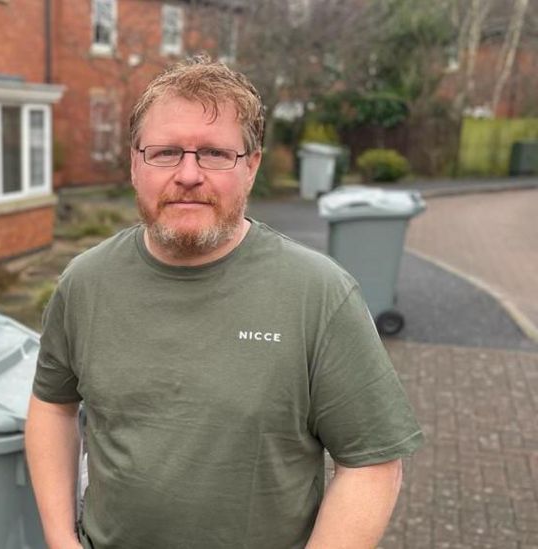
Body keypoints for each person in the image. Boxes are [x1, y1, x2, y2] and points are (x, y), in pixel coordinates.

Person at [24, 56, 423, 549]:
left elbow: (372, 463)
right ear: (134, 163)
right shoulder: (85, 283)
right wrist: (61, 539)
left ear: (251, 166)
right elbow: (53, 407)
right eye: (166, 152)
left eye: (214, 154)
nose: (188, 174)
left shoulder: (318, 295)